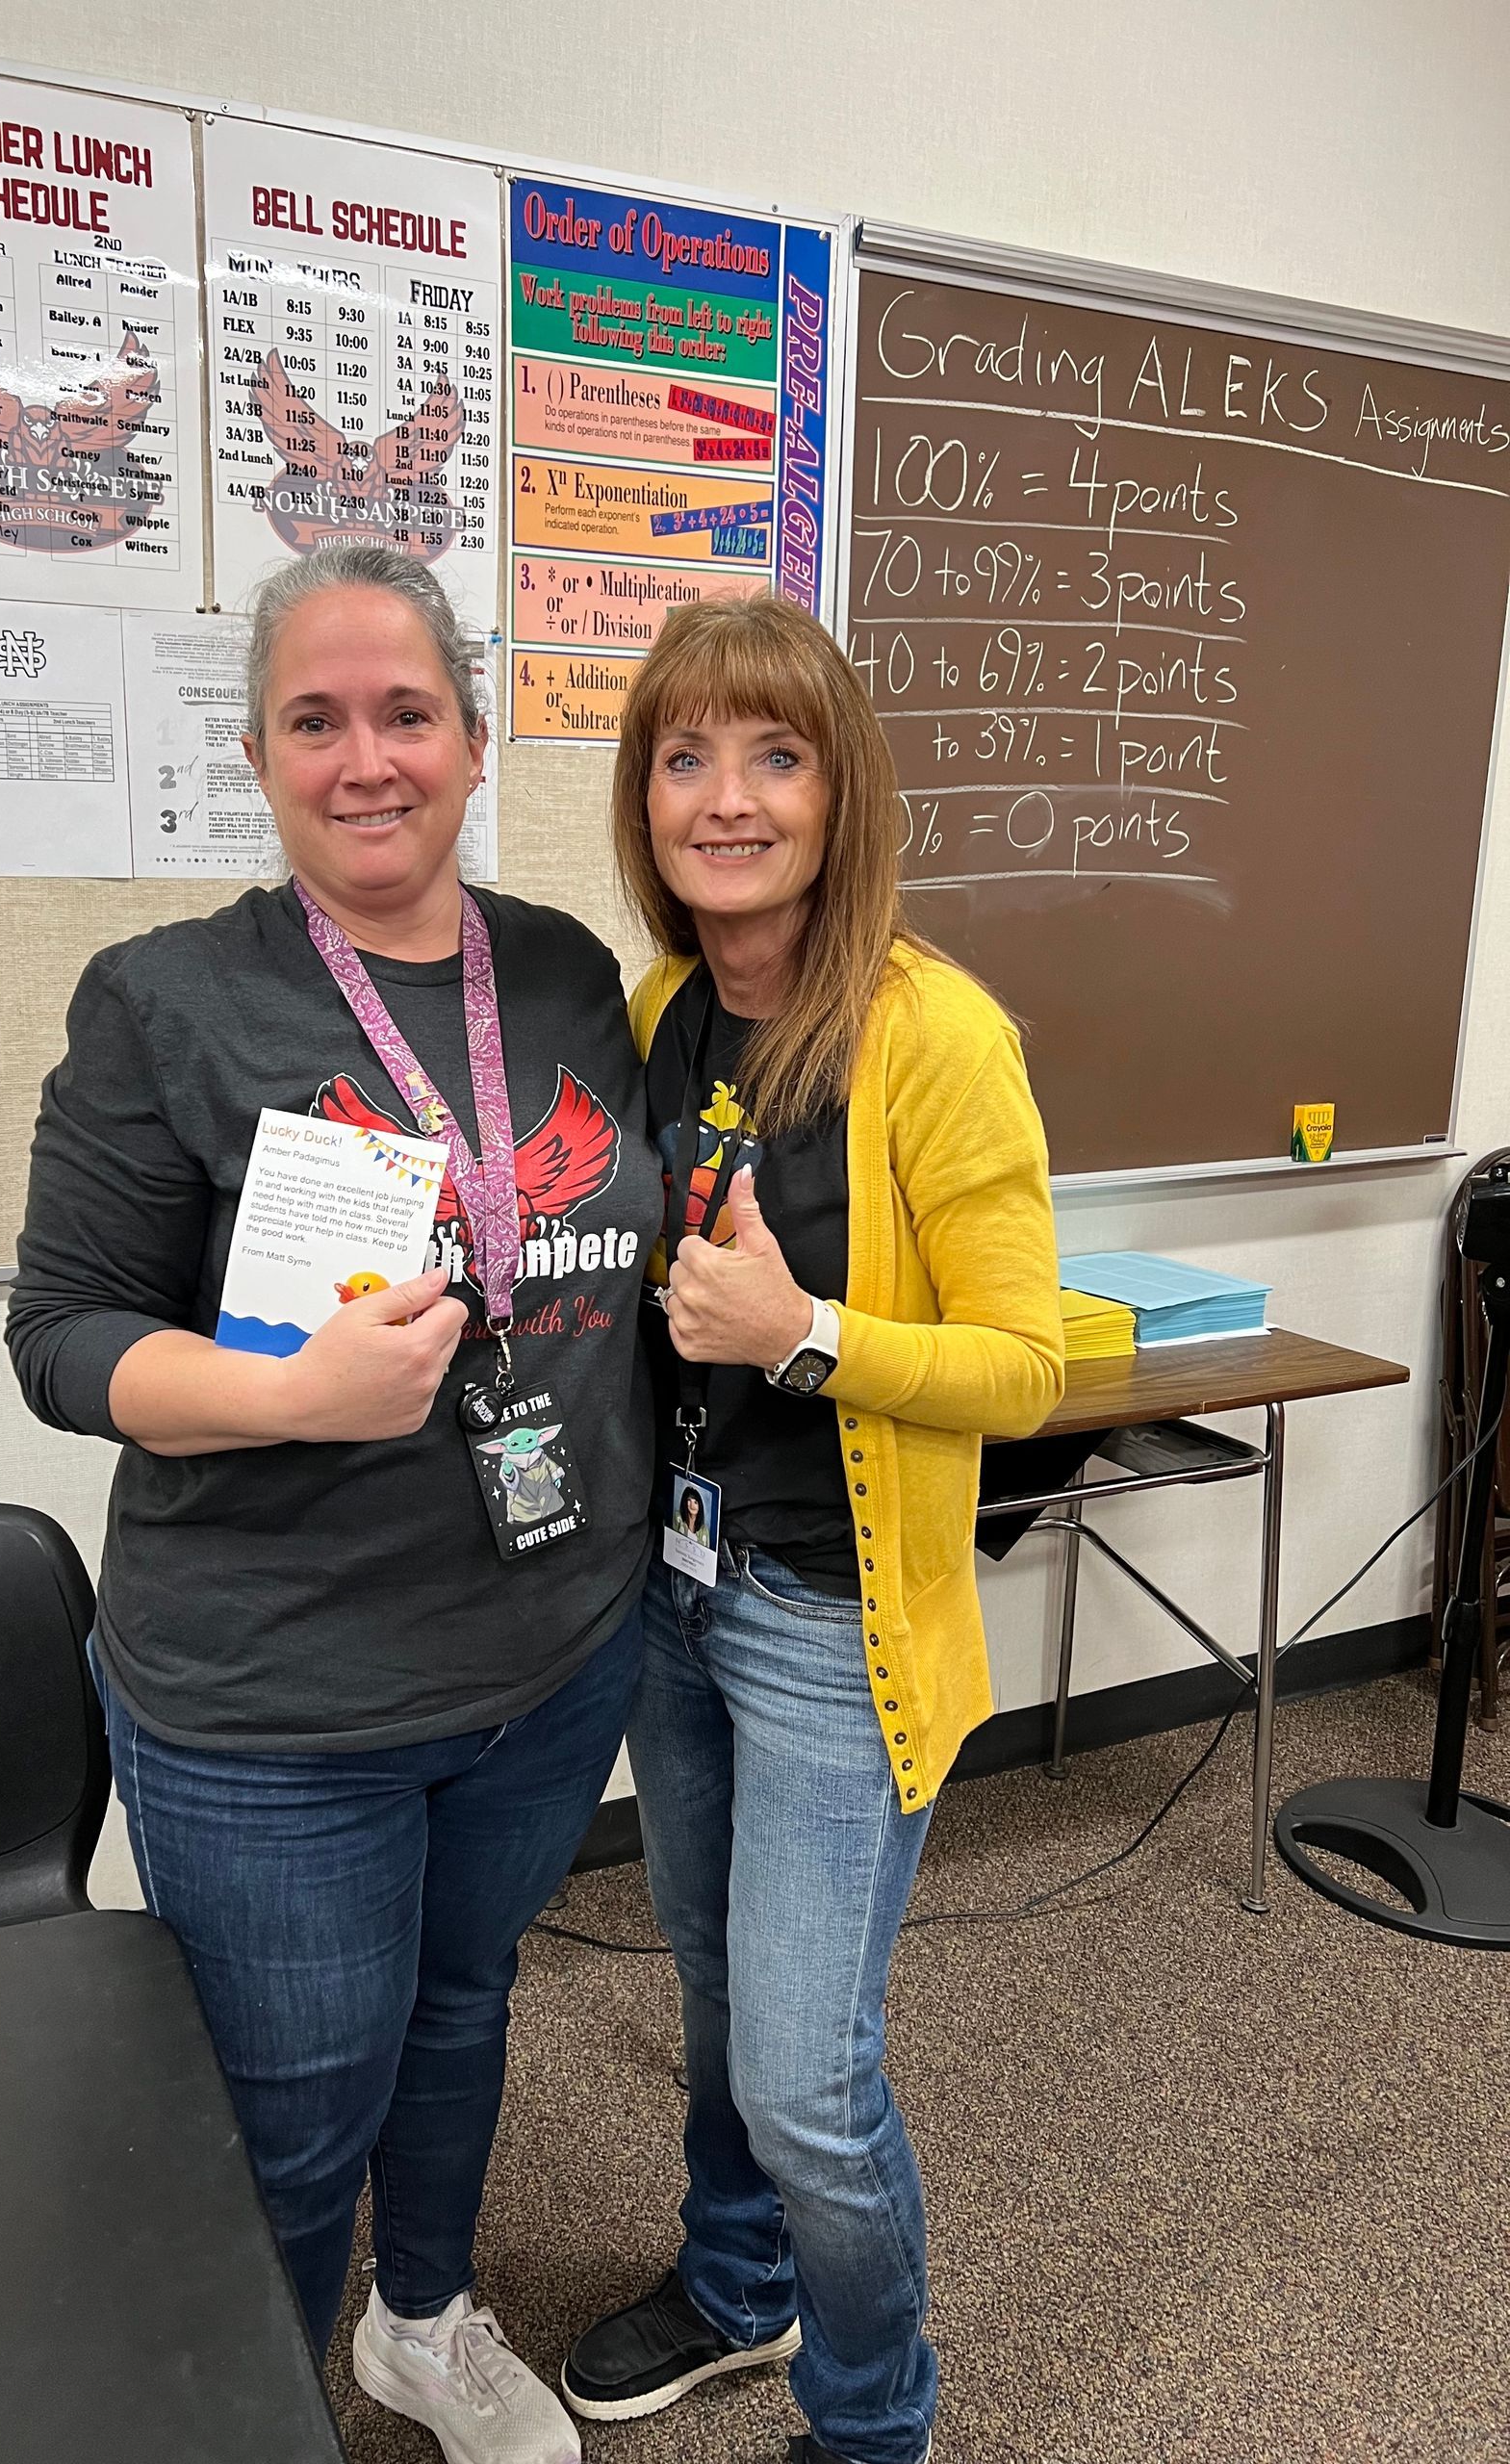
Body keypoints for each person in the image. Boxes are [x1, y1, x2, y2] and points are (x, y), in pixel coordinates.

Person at [7, 542, 662, 2464]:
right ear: (258, 753)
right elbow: (60, 1338)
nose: (365, 755)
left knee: (464, 2013)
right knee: (293, 2112)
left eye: (407, 712)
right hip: (276, 1699)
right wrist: (285, 1394)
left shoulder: (560, 970)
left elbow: (590, 1252)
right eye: (317, 718)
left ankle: (423, 2320)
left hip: (548, 1652)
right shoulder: (166, 1000)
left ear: (471, 740)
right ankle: (255, 2408)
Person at [560, 594, 1064, 2464]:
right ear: (645, 797)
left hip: (835, 1620)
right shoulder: (659, 1010)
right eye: (686, 755)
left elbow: (1026, 1365)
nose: (729, 797)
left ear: (842, 788)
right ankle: (737, 2278)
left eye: (775, 752)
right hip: (674, 1597)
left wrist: (811, 1334)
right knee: (709, 1983)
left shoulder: (935, 1035)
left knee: (808, 2069)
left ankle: (874, 2415)